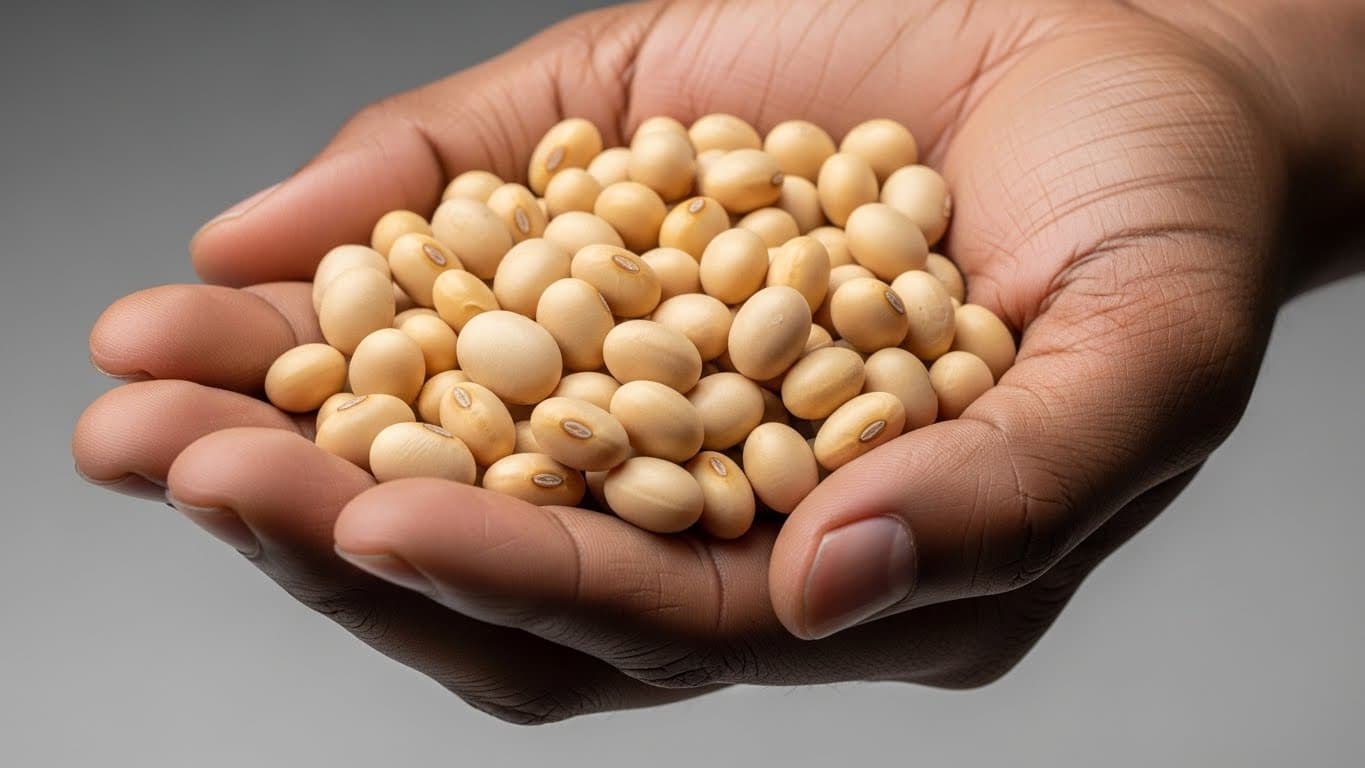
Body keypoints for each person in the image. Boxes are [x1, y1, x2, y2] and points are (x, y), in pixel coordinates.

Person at [72, 0, 1363, 724]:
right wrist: (1238, 60)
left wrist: (1239, 76)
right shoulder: (546, 317)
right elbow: (593, 387)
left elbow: (693, 394)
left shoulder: (842, 290)